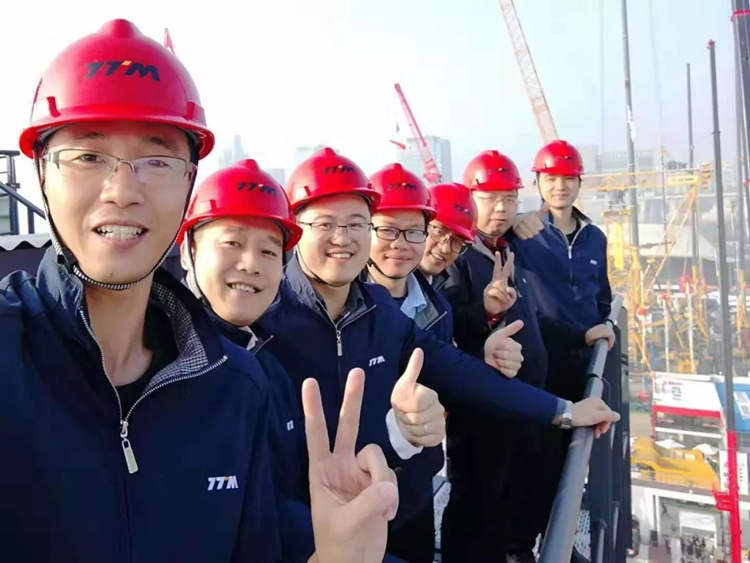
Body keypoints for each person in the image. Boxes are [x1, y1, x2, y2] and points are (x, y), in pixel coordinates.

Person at [0, 20, 398, 563]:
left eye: (157, 161)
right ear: (42, 173)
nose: (123, 190)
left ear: (188, 182)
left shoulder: (235, 388)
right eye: (88, 157)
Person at [255, 148, 620, 554]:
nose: (343, 238)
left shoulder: (380, 312)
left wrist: (563, 411)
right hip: (302, 533)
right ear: (295, 229)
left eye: (356, 223)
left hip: (401, 499)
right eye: (325, 223)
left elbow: (460, 371)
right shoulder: (262, 322)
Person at [364, 164, 476, 563]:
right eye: (388, 231)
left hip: (414, 477)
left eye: (414, 232)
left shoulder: (437, 308)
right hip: (357, 480)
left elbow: (447, 373)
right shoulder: (345, 303)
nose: (443, 248)